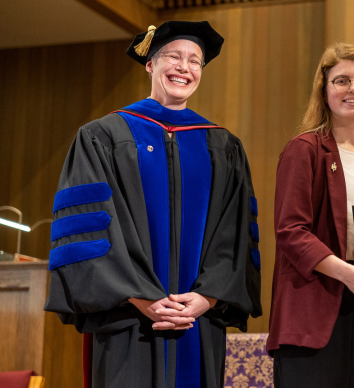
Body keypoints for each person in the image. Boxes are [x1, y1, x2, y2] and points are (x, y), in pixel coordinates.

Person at [44, 21, 262, 388]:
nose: (185, 67)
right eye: (174, 57)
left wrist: (207, 296)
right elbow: (90, 227)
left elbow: (236, 232)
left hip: (198, 319)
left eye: (195, 61)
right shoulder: (103, 136)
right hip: (127, 318)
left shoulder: (223, 147)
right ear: (150, 64)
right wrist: (140, 296)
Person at [268, 43, 354, 387]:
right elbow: (290, 231)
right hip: (314, 307)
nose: (353, 89)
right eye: (341, 80)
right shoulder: (305, 150)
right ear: (324, 91)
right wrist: (347, 273)